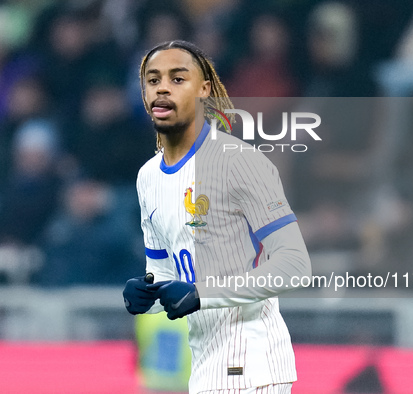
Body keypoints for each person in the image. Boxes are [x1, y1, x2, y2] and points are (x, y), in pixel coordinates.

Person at [122, 40, 312, 394]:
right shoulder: (148, 177)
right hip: (204, 365)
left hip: (253, 364)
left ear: (204, 89)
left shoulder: (240, 163)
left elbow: (295, 265)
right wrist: (145, 295)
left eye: (178, 79)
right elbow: (166, 273)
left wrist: (201, 294)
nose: (162, 87)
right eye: (153, 80)